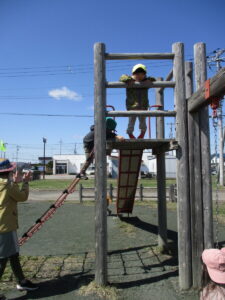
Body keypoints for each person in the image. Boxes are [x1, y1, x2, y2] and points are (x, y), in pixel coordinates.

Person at [0, 158, 38, 296]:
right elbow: (22, 197)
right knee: (3, 258)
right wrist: (25, 182)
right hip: (5, 227)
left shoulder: (6, 185)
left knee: (13, 254)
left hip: (4, 226)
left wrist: (15, 182)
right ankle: (21, 281)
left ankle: (21, 280)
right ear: (9, 172)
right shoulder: (8, 186)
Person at [120, 64, 156, 139]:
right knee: (131, 122)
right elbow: (122, 77)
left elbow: (153, 79)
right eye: (137, 74)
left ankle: (142, 133)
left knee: (143, 122)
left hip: (143, 106)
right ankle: (130, 133)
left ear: (144, 75)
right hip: (132, 106)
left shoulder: (145, 82)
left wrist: (148, 80)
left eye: (141, 74)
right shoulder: (129, 81)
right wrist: (128, 79)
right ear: (133, 74)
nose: (139, 76)